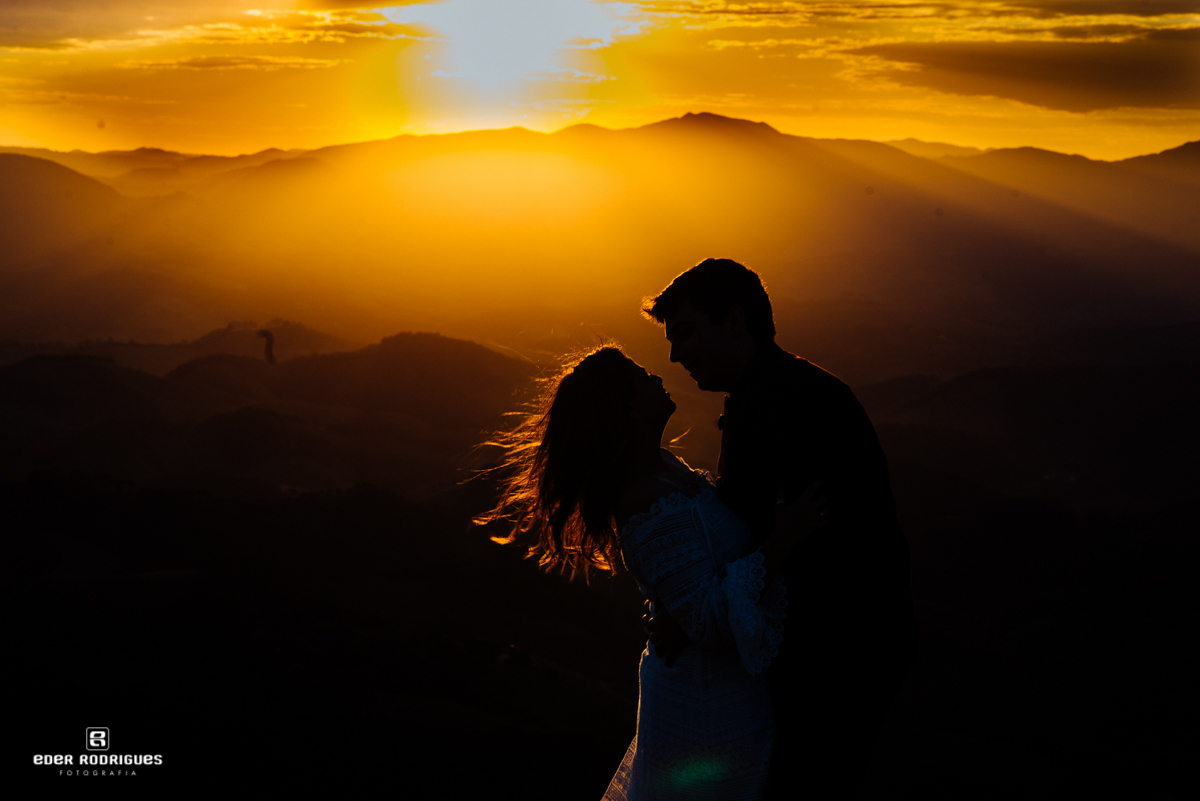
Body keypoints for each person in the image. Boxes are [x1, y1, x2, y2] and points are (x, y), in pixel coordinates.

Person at [476, 345, 825, 800]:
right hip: (707, 711)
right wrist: (784, 536)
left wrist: (677, 615)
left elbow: (695, 586)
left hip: (728, 693)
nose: (656, 377)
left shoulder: (664, 468)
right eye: (641, 375)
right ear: (628, 409)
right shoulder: (643, 503)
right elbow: (713, 620)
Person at [642, 258, 917, 798]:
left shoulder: (782, 403)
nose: (677, 355)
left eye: (689, 334)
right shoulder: (782, 391)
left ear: (736, 321)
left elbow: (760, 538)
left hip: (835, 658)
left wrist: (691, 617)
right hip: (847, 648)